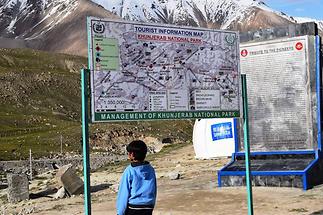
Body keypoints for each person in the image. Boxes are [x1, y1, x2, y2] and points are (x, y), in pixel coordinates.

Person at [116, 140, 157, 215]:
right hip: (148, 206)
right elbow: (154, 189)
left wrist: (120, 212)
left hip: (133, 207)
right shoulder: (151, 169)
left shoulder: (129, 170)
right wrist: (152, 204)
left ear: (132, 154)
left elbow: (124, 193)